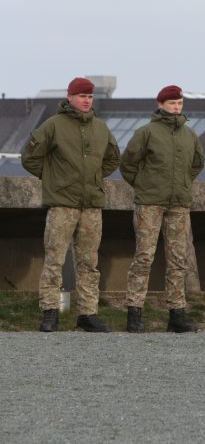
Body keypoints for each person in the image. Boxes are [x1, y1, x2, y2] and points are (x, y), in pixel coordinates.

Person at [21, 77, 120, 332]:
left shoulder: (100, 128)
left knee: (89, 262)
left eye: (90, 96)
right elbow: (29, 157)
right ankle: (50, 311)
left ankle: (87, 313)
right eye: (81, 96)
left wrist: (95, 178)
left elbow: (112, 159)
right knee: (54, 258)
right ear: (70, 97)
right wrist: (53, 178)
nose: (86, 100)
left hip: (91, 205)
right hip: (63, 204)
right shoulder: (53, 125)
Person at [120, 85, 204, 333]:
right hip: (150, 203)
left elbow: (197, 164)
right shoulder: (146, 133)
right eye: (172, 104)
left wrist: (184, 184)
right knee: (144, 257)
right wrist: (144, 186)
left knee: (178, 260)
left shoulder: (190, 136)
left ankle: (176, 314)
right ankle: (134, 312)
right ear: (160, 104)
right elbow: (128, 165)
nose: (176, 108)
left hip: (179, 204)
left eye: (179, 104)